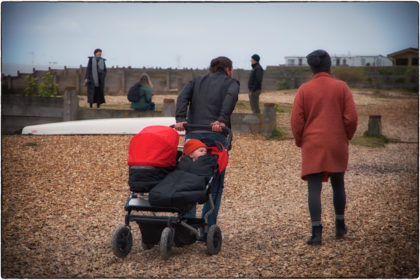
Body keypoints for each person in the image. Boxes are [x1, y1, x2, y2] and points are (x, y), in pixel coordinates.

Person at [290, 49, 358, 245]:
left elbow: (296, 120)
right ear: (330, 66)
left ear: (312, 68)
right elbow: (351, 118)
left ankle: (316, 232)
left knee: (314, 187)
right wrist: (346, 136)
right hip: (337, 141)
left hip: (313, 143)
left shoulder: (304, 89)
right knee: (338, 183)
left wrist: (300, 140)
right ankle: (339, 226)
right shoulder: (342, 87)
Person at [175, 56, 239, 236]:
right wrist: (221, 119)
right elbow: (230, 97)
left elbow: (182, 97)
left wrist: (181, 119)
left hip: (193, 134)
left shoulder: (196, 81)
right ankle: (207, 228)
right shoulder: (231, 82)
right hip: (215, 136)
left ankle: (187, 227)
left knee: (190, 179)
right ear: (228, 69)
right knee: (215, 183)